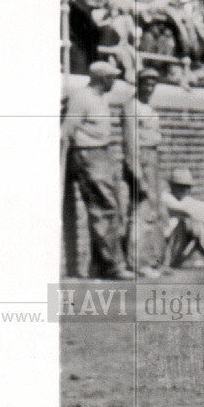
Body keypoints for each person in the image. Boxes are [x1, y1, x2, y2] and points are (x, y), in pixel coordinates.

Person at [61, 60, 128, 279]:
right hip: (88, 154)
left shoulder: (100, 99)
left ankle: (102, 264)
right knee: (103, 207)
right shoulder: (83, 98)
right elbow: (67, 130)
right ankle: (112, 265)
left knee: (113, 207)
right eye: (112, 78)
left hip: (103, 153)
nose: (114, 82)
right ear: (102, 78)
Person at [122, 69, 164, 278]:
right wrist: (137, 173)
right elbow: (131, 144)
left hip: (152, 159)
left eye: (152, 84)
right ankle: (136, 262)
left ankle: (149, 259)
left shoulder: (148, 107)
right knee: (141, 211)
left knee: (152, 212)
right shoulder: (132, 107)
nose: (149, 88)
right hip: (142, 161)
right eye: (145, 84)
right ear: (137, 84)